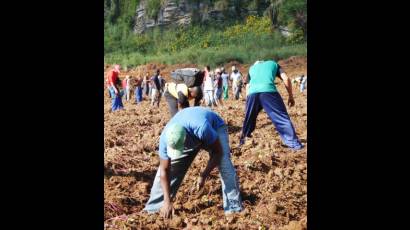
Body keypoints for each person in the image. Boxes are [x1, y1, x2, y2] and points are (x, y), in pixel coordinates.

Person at [144, 107, 243, 217]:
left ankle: (234, 209)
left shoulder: (202, 128)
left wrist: (203, 175)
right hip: (190, 131)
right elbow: (164, 170)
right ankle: (154, 209)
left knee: (224, 164)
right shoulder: (166, 138)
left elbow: (217, 153)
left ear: (186, 138)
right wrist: (167, 201)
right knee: (172, 169)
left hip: (215, 128)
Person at [239, 60, 303, 150]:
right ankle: (294, 144)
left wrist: (249, 101)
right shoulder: (273, 64)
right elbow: (286, 79)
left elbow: (247, 86)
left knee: (249, 118)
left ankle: (243, 141)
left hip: (252, 93)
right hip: (268, 92)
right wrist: (291, 96)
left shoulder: (252, 68)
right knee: (281, 118)